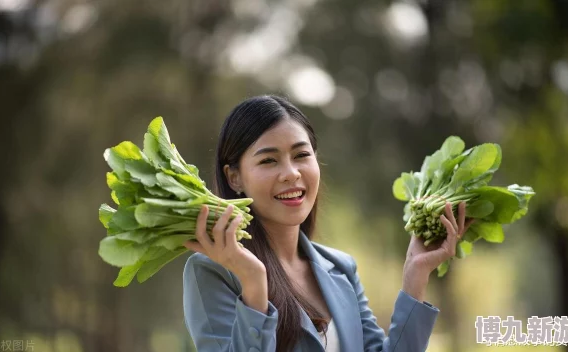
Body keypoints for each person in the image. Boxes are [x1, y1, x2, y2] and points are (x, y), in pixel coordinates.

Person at [182, 95, 473, 352]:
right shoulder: (212, 271)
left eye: (301, 155)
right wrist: (255, 285)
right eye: (269, 161)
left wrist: (415, 273)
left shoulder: (341, 268)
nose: (291, 173)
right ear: (235, 177)